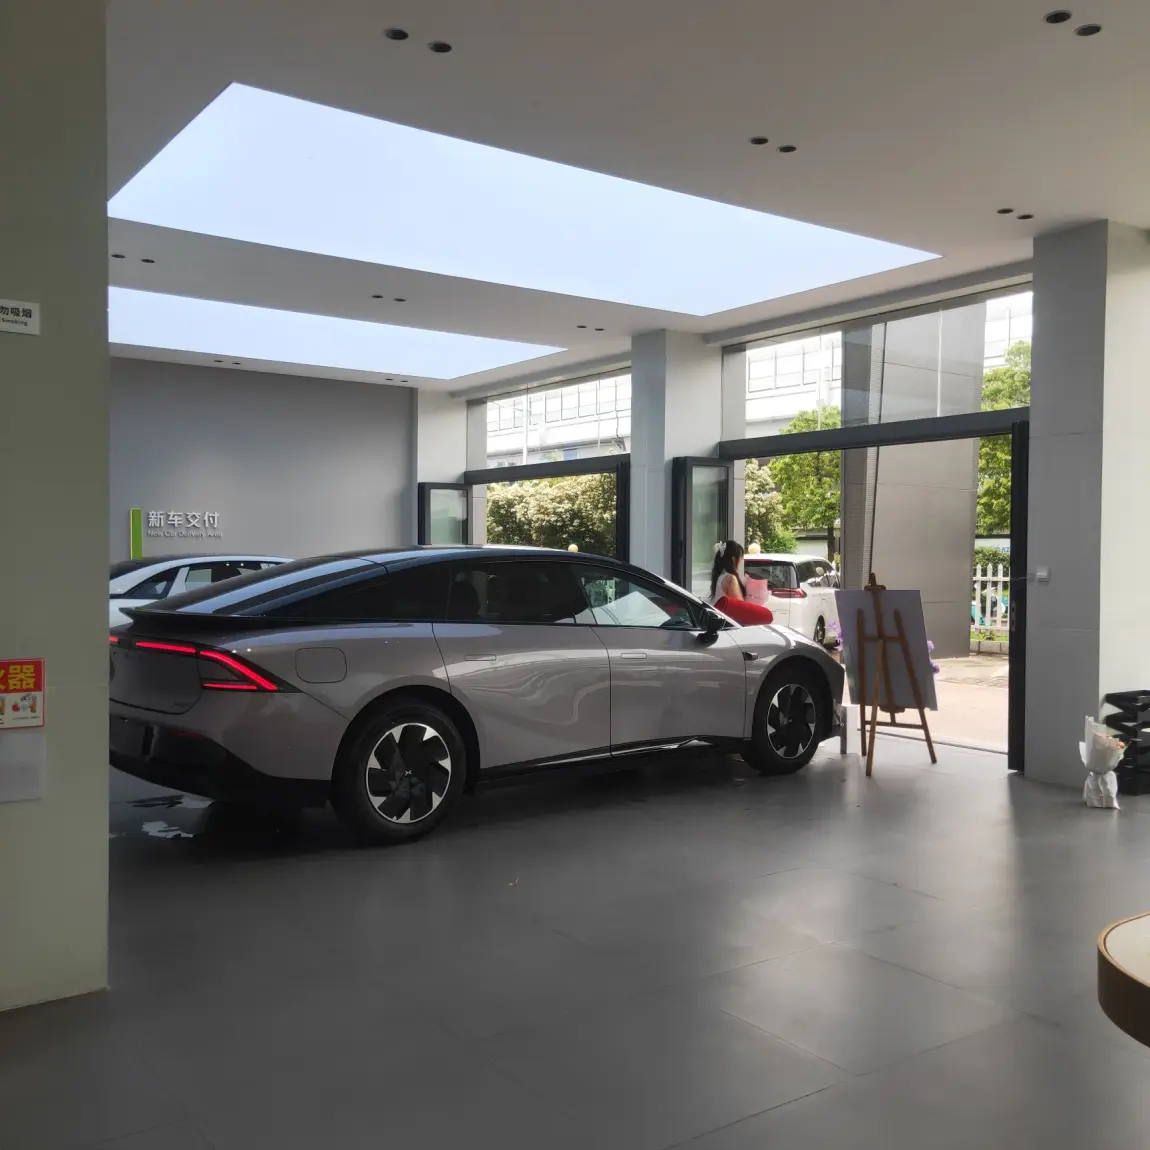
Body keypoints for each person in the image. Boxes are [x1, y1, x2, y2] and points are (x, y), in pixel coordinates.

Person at [709, 540, 746, 604]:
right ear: (734, 559)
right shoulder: (730, 579)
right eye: (741, 558)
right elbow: (740, 605)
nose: (741, 562)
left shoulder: (719, 575)